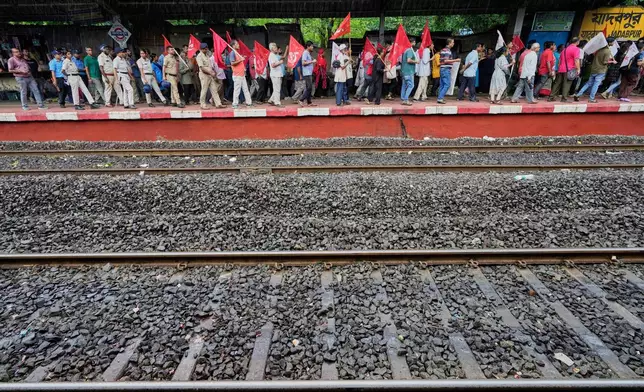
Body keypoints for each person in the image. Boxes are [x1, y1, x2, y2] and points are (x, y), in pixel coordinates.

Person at [574, 38, 615, 103]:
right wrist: (612, 61)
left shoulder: (598, 49)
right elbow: (605, 62)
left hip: (594, 68)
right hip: (601, 70)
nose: (614, 43)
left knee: (589, 83)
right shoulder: (607, 51)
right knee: (596, 84)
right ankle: (591, 98)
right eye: (613, 42)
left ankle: (578, 94)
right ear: (610, 42)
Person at [549, 37, 581, 102]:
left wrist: (559, 68)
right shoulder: (576, 49)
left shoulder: (564, 50)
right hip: (569, 69)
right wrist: (578, 69)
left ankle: (551, 97)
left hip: (561, 69)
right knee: (567, 84)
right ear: (577, 42)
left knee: (557, 83)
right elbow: (576, 60)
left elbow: (560, 61)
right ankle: (564, 98)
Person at [196, 43, 223, 109]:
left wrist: (212, 72)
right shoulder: (199, 56)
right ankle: (202, 104)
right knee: (204, 90)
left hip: (210, 75)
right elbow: (202, 68)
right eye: (205, 49)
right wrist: (211, 73)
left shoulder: (207, 55)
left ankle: (218, 104)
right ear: (201, 49)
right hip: (204, 75)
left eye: (206, 48)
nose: (206, 49)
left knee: (214, 90)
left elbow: (210, 66)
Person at [229, 40, 252, 109]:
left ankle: (249, 102)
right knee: (237, 90)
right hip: (237, 74)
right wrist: (241, 59)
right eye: (237, 44)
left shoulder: (236, 53)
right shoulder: (232, 53)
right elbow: (232, 63)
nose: (238, 45)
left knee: (245, 89)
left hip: (241, 74)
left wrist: (241, 59)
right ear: (233, 46)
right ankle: (235, 103)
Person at [437, 38, 460, 104]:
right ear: (449, 43)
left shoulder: (443, 50)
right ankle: (440, 98)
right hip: (446, 69)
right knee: (447, 84)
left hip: (442, 69)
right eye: (452, 42)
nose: (453, 43)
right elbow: (446, 61)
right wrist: (456, 60)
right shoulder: (447, 51)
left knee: (442, 85)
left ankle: (440, 98)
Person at [267, 42, 285, 107]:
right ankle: (277, 102)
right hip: (275, 75)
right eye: (275, 47)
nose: (276, 48)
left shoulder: (273, 55)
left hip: (277, 74)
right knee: (277, 89)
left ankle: (271, 100)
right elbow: (273, 65)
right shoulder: (271, 55)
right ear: (272, 49)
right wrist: (280, 62)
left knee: (277, 88)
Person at [300, 41, 316, 107]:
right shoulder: (305, 53)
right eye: (311, 46)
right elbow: (303, 63)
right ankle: (301, 100)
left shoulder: (308, 53)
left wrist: (311, 60)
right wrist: (312, 61)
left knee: (309, 87)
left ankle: (309, 102)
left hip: (309, 72)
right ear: (308, 46)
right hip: (307, 73)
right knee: (309, 87)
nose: (312, 47)